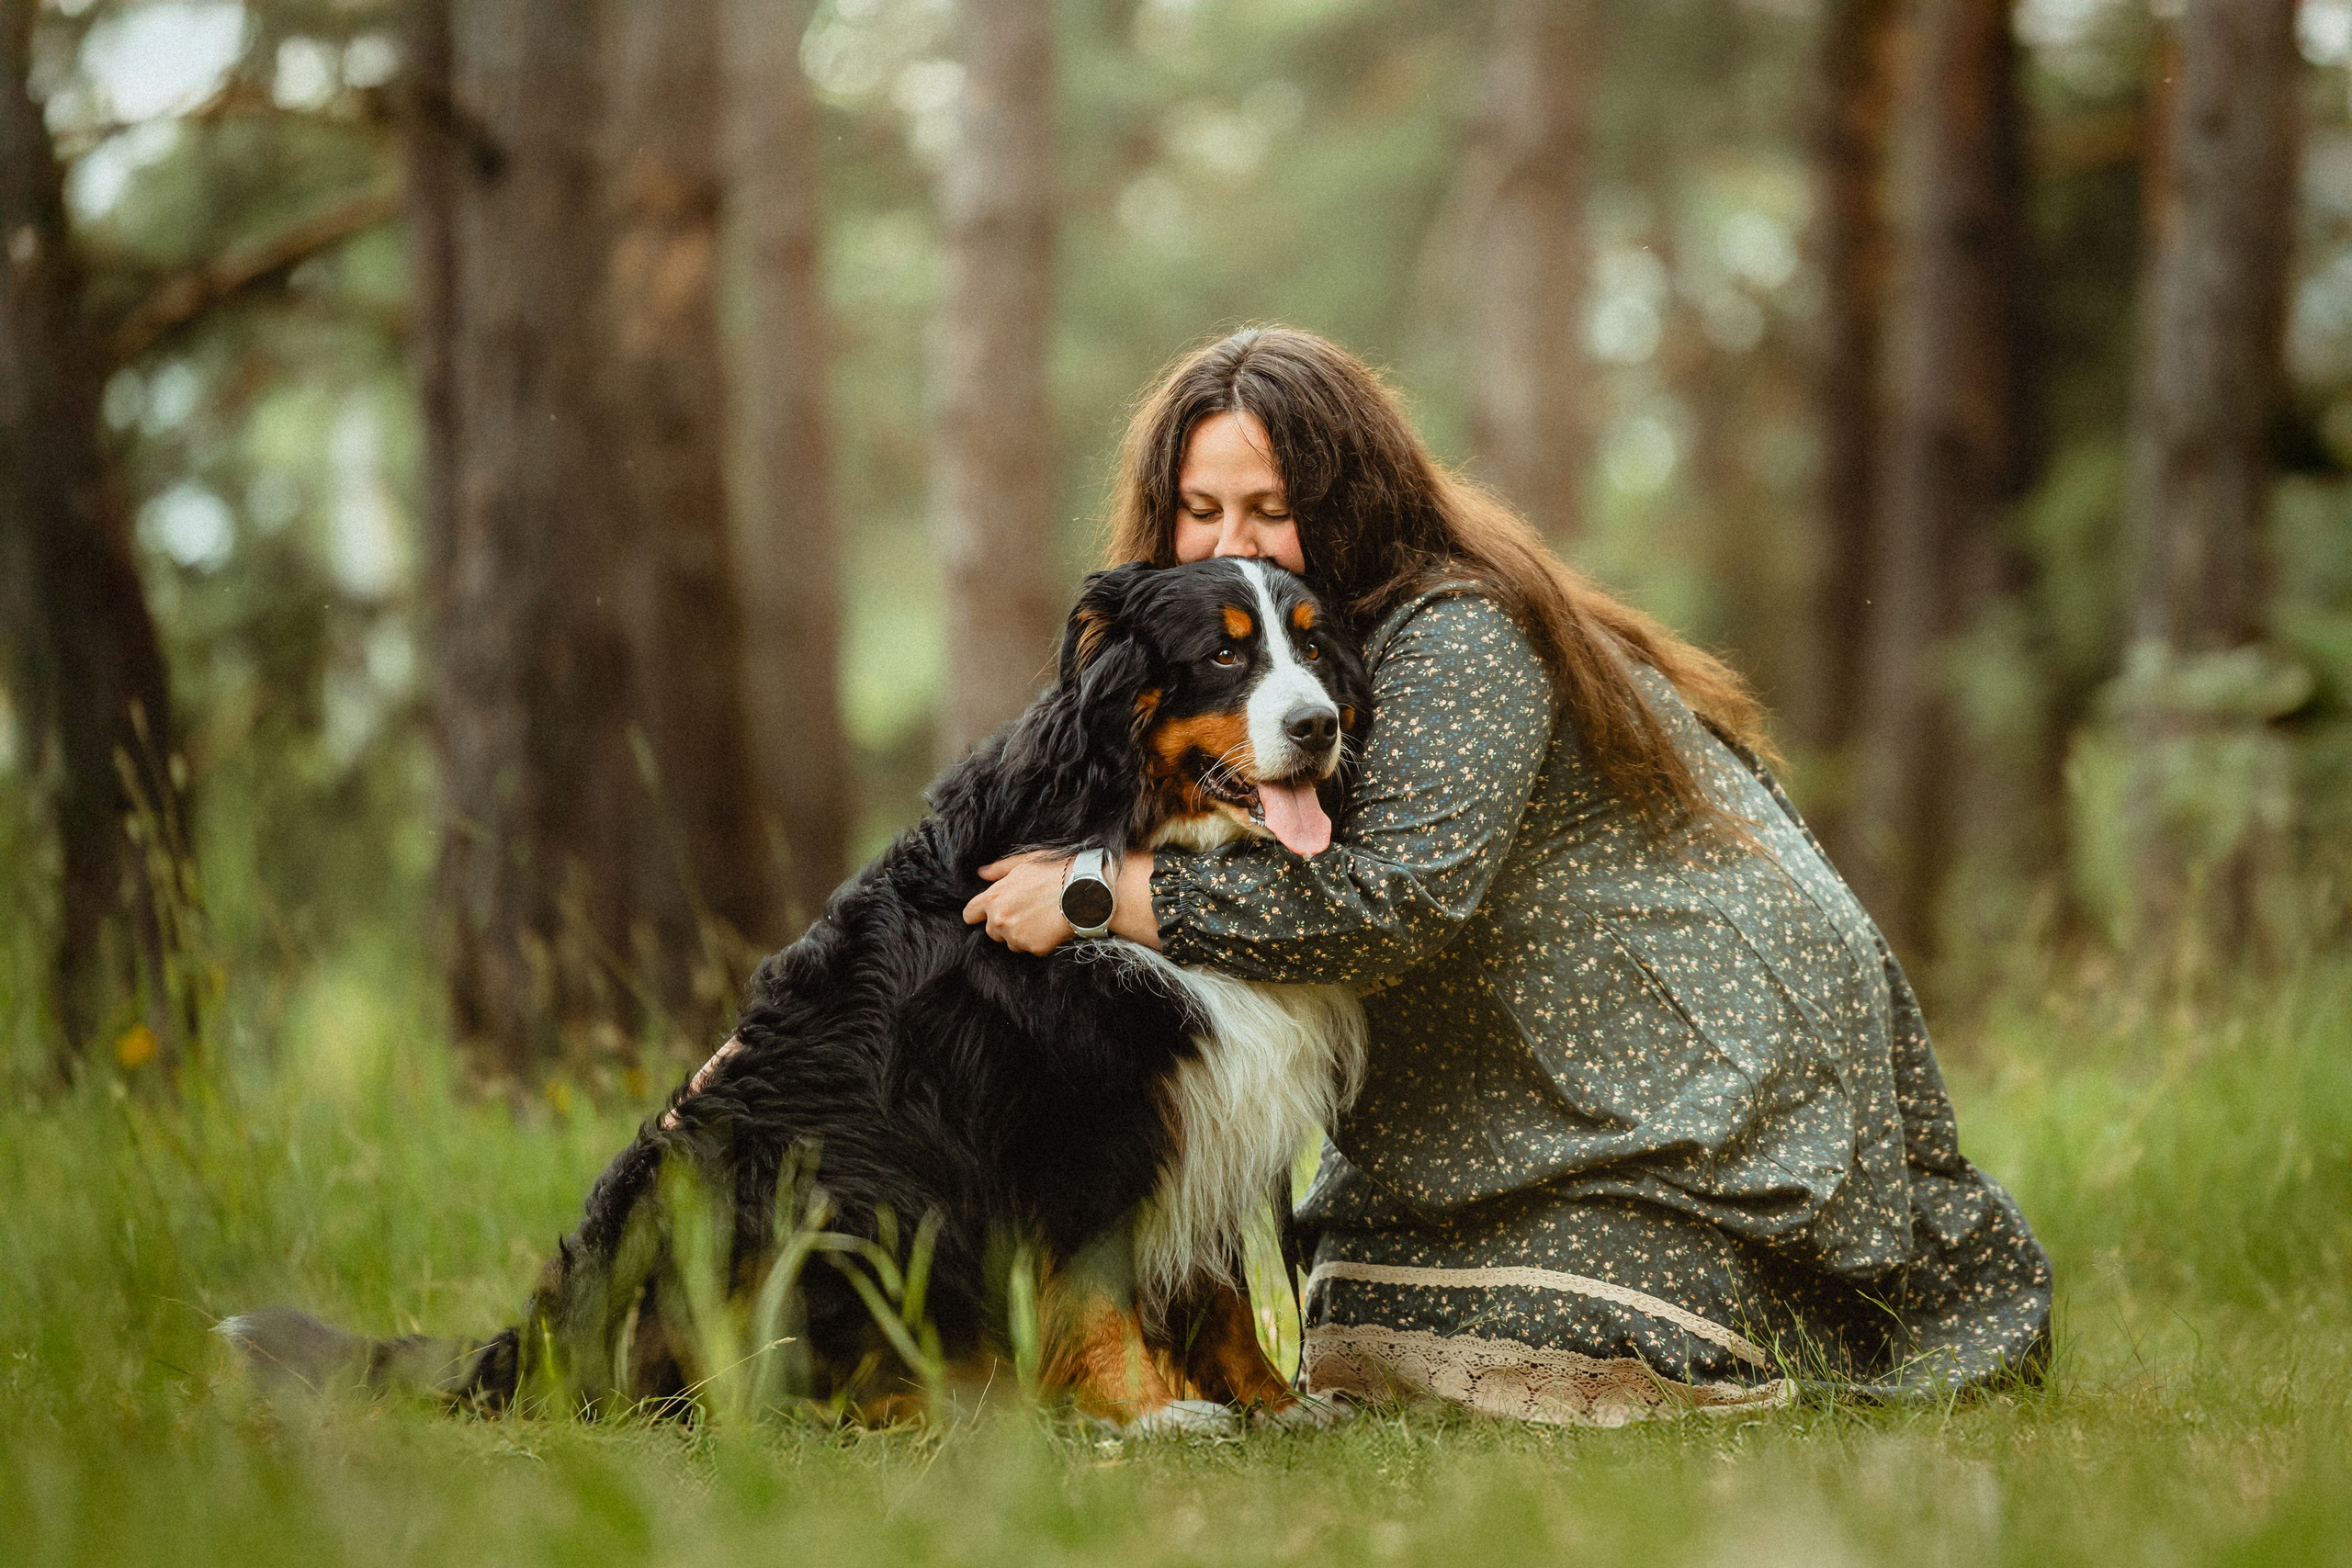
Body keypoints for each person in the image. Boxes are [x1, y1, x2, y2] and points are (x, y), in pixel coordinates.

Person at [963, 325, 2051, 1426]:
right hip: (1532, 1117)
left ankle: (1763, 1315)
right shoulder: (1255, 652)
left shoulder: (1457, 633)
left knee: (1481, 1347)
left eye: (1269, 507)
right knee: (1361, 1326)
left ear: (1349, 498)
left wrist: (1100, 893)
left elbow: (1392, 900)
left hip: (1685, 1102)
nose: (1227, 541)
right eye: (1201, 510)